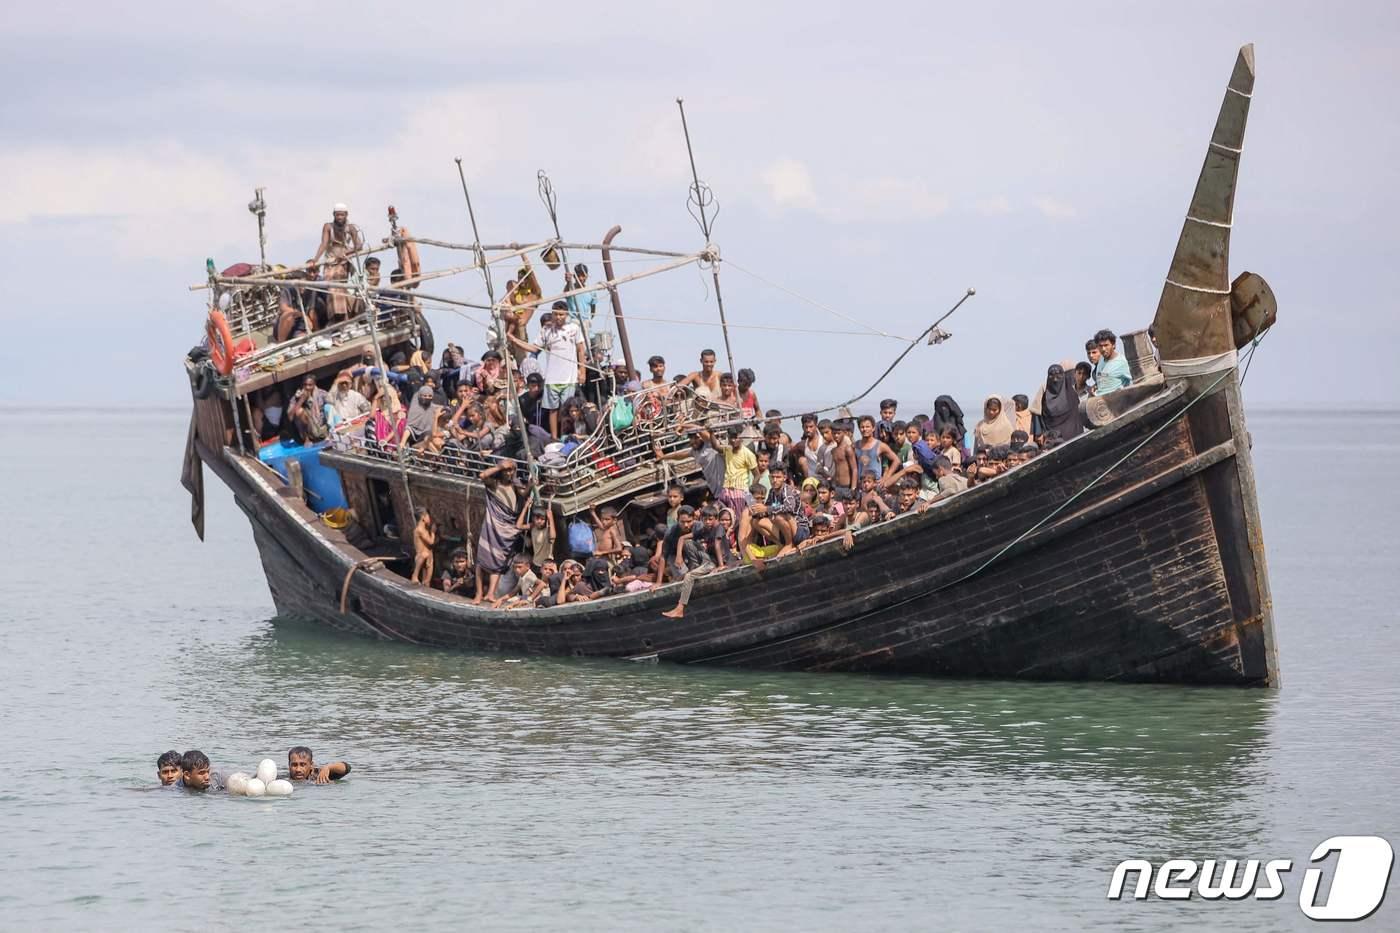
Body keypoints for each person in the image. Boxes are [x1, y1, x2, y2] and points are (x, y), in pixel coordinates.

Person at [510, 302, 585, 437]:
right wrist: (515, 341)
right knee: (552, 410)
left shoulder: (574, 328)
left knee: (566, 409)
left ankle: (566, 435)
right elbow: (534, 348)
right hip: (552, 378)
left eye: (561, 314)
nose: (558, 317)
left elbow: (580, 350)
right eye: (556, 314)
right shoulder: (547, 330)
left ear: (566, 314)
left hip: (569, 377)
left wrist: (582, 371)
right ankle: (555, 437)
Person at [474, 460, 525, 603]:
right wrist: (499, 466)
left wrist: (533, 485)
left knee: (499, 561)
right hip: (493, 525)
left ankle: (490, 593)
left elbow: (524, 492)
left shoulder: (515, 484)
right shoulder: (494, 484)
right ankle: (478, 594)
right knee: (481, 561)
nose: (509, 473)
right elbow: (482, 475)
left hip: (507, 528)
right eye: (506, 470)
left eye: (511, 470)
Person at [310, 204, 364, 322]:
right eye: (337, 215)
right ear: (334, 215)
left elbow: (359, 245)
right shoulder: (328, 227)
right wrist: (316, 259)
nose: (339, 217)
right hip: (330, 262)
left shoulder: (351, 228)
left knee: (340, 288)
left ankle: (343, 317)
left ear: (346, 215)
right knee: (332, 289)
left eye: (342, 215)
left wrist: (347, 252)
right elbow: (324, 244)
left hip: (343, 263)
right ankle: (334, 317)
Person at [659, 506, 716, 619]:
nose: (686, 525)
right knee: (682, 577)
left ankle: (681, 607)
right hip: (676, 558)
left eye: (689, 522)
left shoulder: (700, 526)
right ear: (677, 520)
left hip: (700, 558)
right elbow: (663, 557)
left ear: (694, 519)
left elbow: (713, 546)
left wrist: (720, 565)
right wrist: (658, 582)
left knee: (688, 574)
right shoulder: (671, 533)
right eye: (682, 522)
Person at [711, 427, 757, 518]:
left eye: (736, 437)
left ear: (741, 438)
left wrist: (750, 491)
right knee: (720, 515)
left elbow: (757, 475)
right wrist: (711, 433)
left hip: (740, 490)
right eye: (731, 437)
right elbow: (715, 447)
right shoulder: (728, 449)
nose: (733, 440)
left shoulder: (748, 454)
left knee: (737, 518)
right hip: (726, 489)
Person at [1039, 363, 1084, 441]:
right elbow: (1043, 421)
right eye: (1051, 375)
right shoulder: (1044, 398)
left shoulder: (1071, 394)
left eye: (1058, 375)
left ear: (1064, 376)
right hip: (1054, 442)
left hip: (1075, 438)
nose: (1055, 379)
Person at [854, 415, 899, 484]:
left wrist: (885, 478)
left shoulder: (880, 445)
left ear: (873, 428)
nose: (865, 429)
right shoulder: (855, 446)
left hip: (875, 485)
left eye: (867, 427)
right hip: (861, 485)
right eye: (862, 427)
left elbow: (896, 461)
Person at [289, 375, 331, 442]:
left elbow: (333, 405)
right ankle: (307, 439)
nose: (307, 387)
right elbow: (290, 417)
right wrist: (301, 400)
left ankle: (331, 433)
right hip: (310, 429)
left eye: (310, 385)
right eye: (305, 385)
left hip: (322, 426)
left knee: (329, 407)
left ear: (314, 384)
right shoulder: (297, 397)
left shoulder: (322, 394)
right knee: (299, 411)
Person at [1092, 328, 1132, 395]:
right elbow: (1104, 377)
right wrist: (1096, 386)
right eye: (1100, 346)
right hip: (1099, 401)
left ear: (1113, 345)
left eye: (1106, 345)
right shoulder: (1101, 359)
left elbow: (1134, 380)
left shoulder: (1121, 362)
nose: (1103, 349)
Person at [287, 746, 351, 784]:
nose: (298, 769)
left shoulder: (320, 775)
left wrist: (328, 767)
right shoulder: (283, 780)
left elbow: (346, 768)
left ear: (311, 765)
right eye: (294, 765)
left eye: (303, 765)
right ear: (289, 765)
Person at [411, 509, 436, 586]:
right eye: (428, 516)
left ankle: (425, 589)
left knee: (427, 581)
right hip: (421, 557)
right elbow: (431, 542)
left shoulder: (424, 529)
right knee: (425, 554)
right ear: (423, 517)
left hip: (428, 558)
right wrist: (433, 532)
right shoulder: (419, 530)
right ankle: (414, 575)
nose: (430, 519)